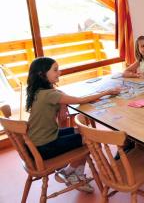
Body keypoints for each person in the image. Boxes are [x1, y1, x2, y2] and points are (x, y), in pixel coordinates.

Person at [26, 57, 122, 192]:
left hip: (36, 143)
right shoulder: (49, 94)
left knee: (81, 132)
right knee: (91, 139)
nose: (59, 72)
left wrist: (63, 103)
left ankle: (75, 174)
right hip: (44, 147)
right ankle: (69, 172)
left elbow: (58, 93)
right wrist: (106, 92)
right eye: (55, 70)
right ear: (42, 74)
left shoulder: (38, 91)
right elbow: (79, 100)